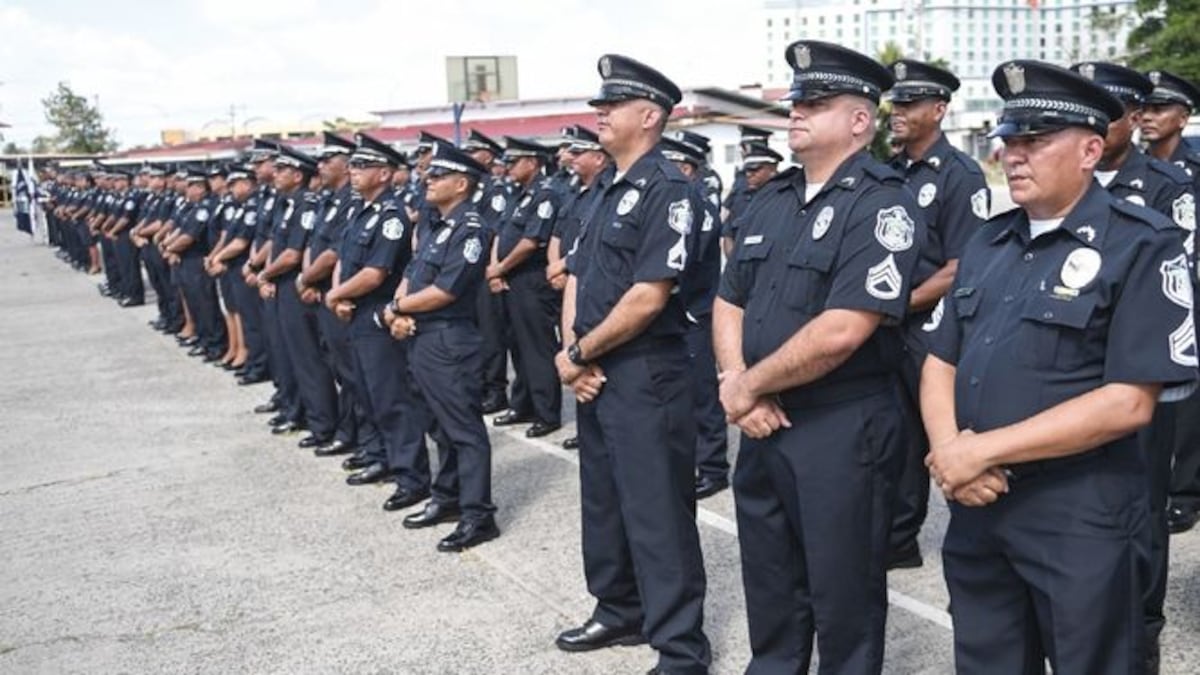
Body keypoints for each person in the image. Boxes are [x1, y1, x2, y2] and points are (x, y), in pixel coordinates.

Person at [922, 60, 1197, 674]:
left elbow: (1129, 400)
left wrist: (983, 449)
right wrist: (953, 454)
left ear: (1089, 149)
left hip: (1079, 515)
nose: (1014, 155)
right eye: (1010, 141)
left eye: (1035, 140)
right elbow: (940, 360)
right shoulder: (989, 243)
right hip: (980, 506)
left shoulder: (1142, 243)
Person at [714, 40, 920, 673]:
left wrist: (749, 386)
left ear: (860, 121)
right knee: (771, 584)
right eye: (796, 100)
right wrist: (734, 382)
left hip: (841, 424)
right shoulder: (771, 199)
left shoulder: (883, 203)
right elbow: (730, 298)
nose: (796, 111)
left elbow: (842, 330)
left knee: (844, 594)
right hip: (761, 422)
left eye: (816, 102)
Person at [553, 53, 710, 675]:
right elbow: (575, 277)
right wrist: (572, 354)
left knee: (657, 511)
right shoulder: (600, 190)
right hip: (593, 369)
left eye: (610, 106)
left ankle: (679, 647)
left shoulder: (669, 189)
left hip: (646, 370)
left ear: (649, 116)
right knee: (605, 499)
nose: (599, 115)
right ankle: (619, 608)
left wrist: (580, 353)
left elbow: (650, 294)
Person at [884, 58, 992, 569]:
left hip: (930, 330)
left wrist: (893, 305)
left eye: (909, 103)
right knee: (895, 438)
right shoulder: (889, 170)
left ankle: (975, 549)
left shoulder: (961, 176)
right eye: (895, 102)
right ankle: (900, 538)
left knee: (944, 434)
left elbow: (960, 267)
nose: (897, 111)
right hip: (885, 327)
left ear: (939, 109)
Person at [383, 142, 499, 552]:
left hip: (450, 339)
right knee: (437, 425)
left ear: (461, 183)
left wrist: (394, 308)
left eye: (437, 176)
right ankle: (447, 497)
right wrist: (397, 313)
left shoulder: (471, 228)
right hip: (421, 334)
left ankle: (478, 515)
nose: (426, 180)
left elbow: (446, 290)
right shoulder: (435, 224)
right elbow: (412, 275)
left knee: (464, 430)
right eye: (428, 174)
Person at [326, 132, 430, 497]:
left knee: (391, 398)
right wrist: (339, 296)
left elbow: (376, 272)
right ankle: (379, 455)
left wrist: (336, 294)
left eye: (363, 166)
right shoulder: (359, 211)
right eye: (353, 165)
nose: (353, 171)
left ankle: (412, 478)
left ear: (385, 174)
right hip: (353, 309)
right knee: (366, 392)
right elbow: (343, 259)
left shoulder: (392, 216)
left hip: (377, 315)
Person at [1140, 69, 1200, 536]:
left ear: (1183, 116)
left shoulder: (1193, 172)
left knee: (1187, 402)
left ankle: (1184, 494)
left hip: (1189, 291)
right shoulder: (1134, 170)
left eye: (1160, 108)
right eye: (1145, 108)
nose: (1147, 117)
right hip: (1145, 293)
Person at [659, 135, 729, 499]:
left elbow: (688, 259)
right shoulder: (678, 203)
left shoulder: (699, 203)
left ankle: (714, 467)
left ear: (686, 169)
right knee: (682, 392)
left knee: (703, 391)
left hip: (695, 309)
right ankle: (693, 460)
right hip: (678, 311)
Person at [489, 136, 563, 438]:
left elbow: (531, 241)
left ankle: (547, 412)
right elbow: (501, 233)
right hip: (510, 279)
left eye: (513, 161)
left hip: (531, 280)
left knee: (537, 348)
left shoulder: (546, 194)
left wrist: (500, 268)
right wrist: (495, 270)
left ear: (532, 163)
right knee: (517, 346)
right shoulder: (518, 194)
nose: (507, 167)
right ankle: (523, 403)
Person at [548, 126, 609, 451]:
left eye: (577, 153)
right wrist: (555, 266)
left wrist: (564, 265)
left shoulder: (608, 192)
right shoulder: (575, 193)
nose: (569, 158)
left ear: (599, 158)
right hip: (571, 282)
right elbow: (560, 234)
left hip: (593, 288)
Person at [719, 143, 782, 257]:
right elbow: (728, 234)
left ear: (772, 169)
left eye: (755, 170)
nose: (748, 174)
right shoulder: (742, 198)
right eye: (747, 170)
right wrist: (733, 264)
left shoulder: (786, 197)